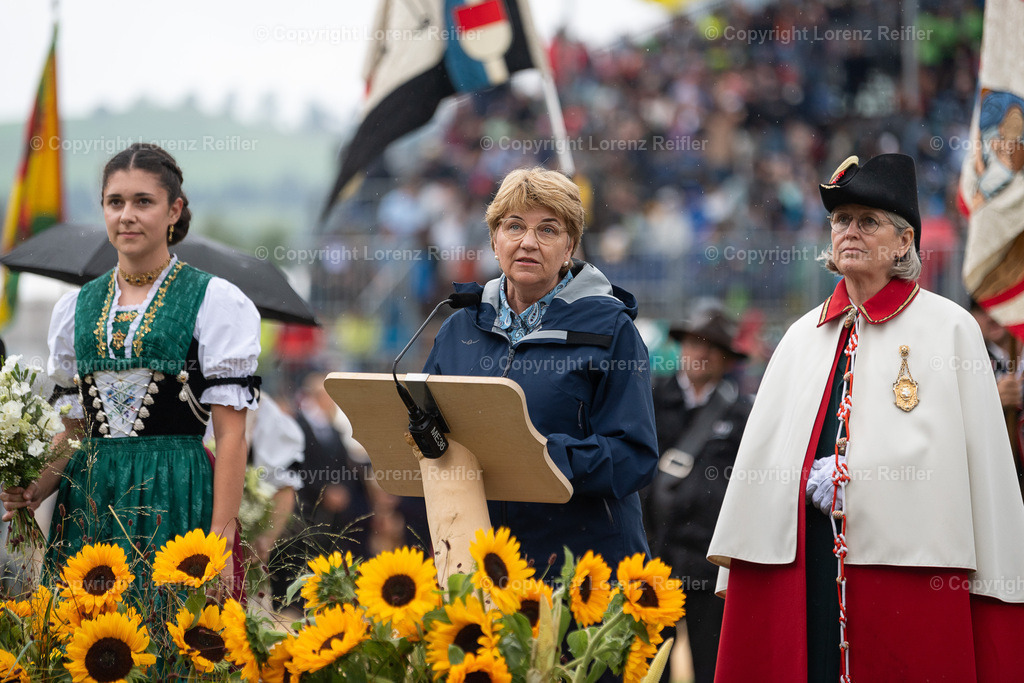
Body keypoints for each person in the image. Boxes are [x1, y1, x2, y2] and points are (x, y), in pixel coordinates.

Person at [707, 153, 1024, 682]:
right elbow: (761, 480)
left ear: (904, 241)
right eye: (840, 220)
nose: (849, 231)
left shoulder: (951, 329)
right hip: (805, 569)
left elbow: (983, 477)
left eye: (867, 220)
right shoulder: (799, 337)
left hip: (911, 578)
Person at [1, 143, 260, 592]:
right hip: (90, 500)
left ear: (174, 210)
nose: (127, 215)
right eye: (115, 202)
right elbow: (75, 431)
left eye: (144, 201)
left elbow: (233, 434)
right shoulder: (75, 307)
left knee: (169, 639)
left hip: (177, 492)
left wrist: (221, 537)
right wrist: (35, 488)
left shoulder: (214, 300)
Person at [422, 167, 658, 570]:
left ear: (570, 248)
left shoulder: (611, 330)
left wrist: (542, 456)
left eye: (548, 230)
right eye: (514, 227)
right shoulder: (457, 327)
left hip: (582, 569)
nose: (528, 243)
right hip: (480, 564)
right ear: (495, 241)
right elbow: (434, 432)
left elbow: (634, 456)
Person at [644, 306, 750, 683]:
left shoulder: (742, 416)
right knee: (650, 667)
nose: (701, 354)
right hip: (654, 561)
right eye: (694, 343)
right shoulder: (649, 400)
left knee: (713, 668)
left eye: (712, 347)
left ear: (725, 359)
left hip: (711, 565)